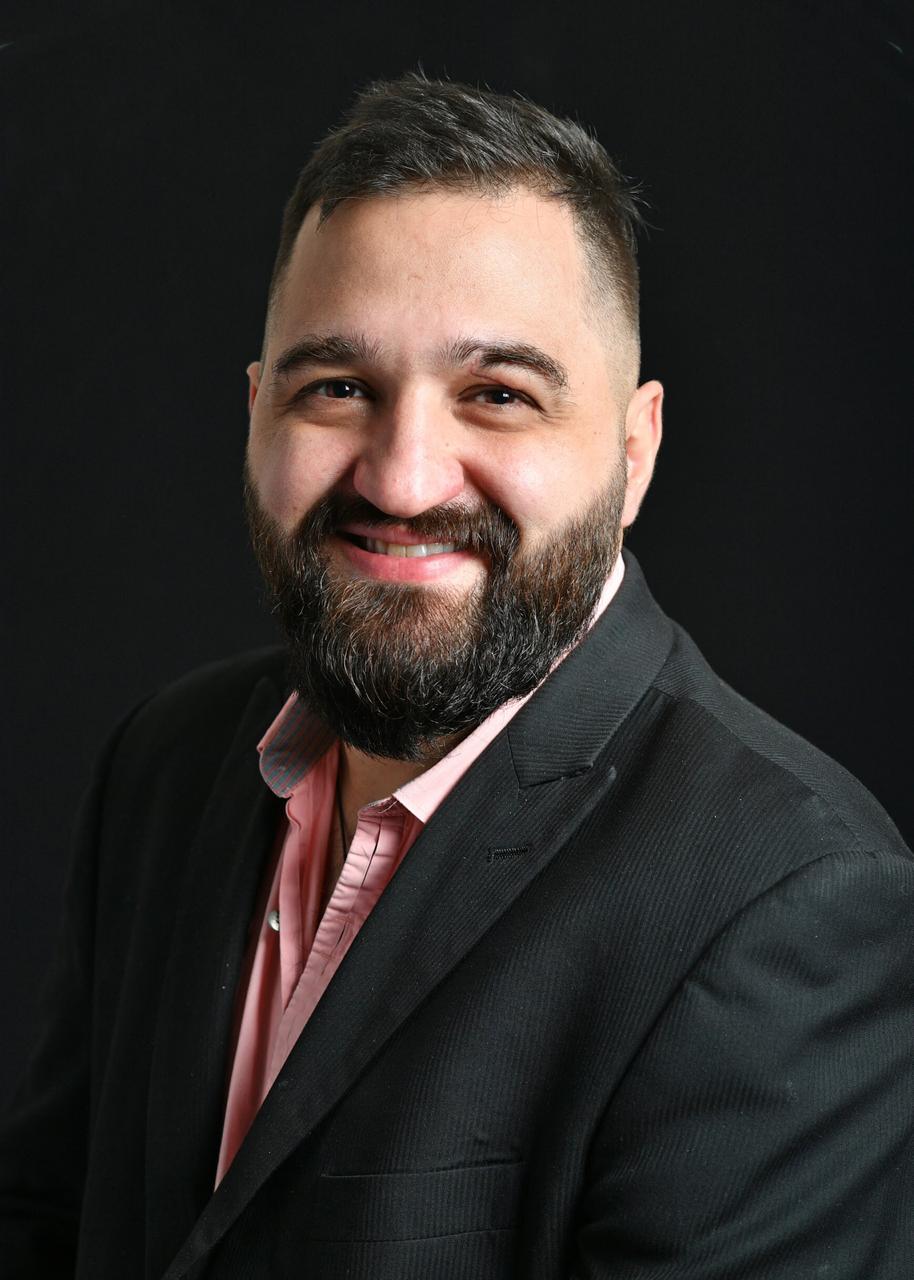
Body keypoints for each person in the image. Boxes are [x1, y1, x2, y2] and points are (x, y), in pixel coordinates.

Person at [1, 71, 911, 1280]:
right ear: (257, 412)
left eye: (497, 395)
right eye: (338, 388)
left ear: (632, 451)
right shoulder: (162, 766)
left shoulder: (785, 899)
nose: (402, 476)